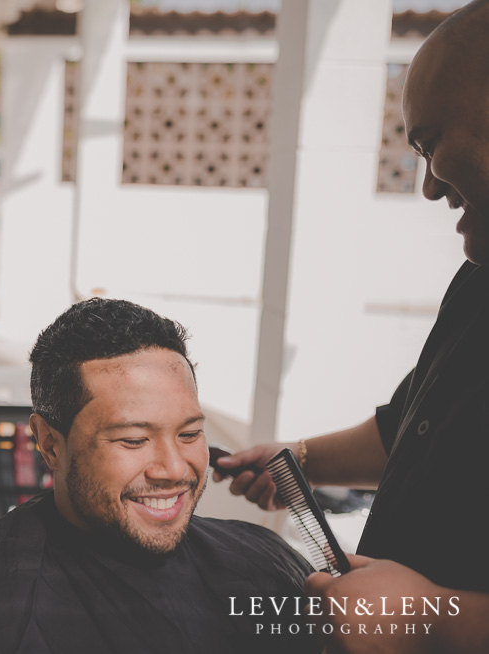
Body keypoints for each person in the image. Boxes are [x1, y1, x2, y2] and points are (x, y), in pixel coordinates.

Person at [214, 2, 489, 652]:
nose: (427, 188)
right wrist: (295, 463)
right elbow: (413, 432)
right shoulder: (477, 282)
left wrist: (435, 617)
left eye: (431, 143)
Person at [0, 298, 320, 653]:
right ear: (50, 443)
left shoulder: (264, 564)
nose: (174, 469)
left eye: (190, 433)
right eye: (133, 440)